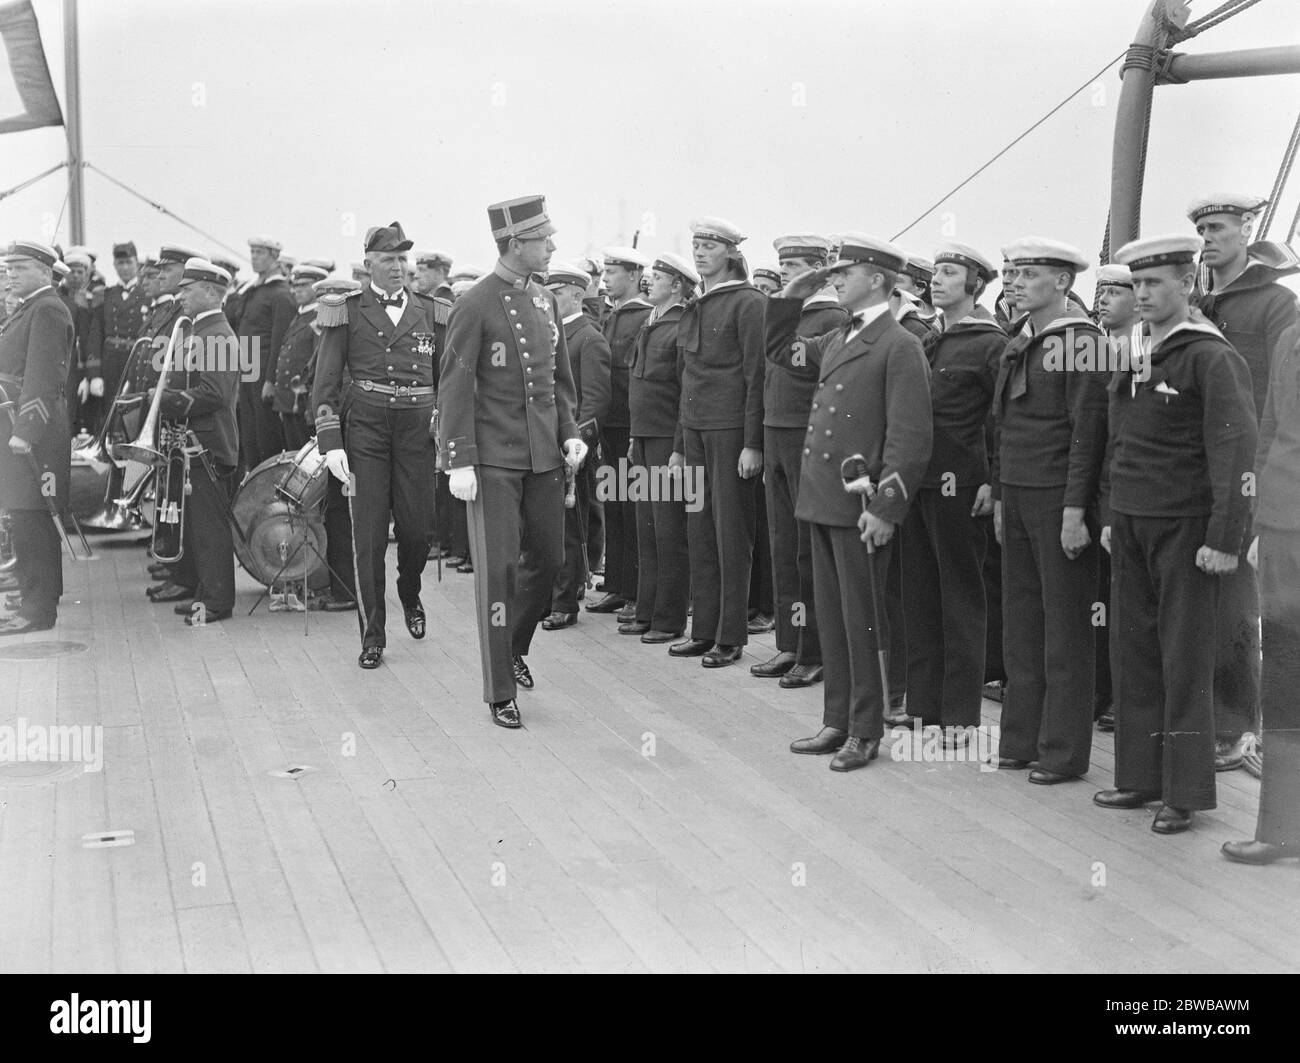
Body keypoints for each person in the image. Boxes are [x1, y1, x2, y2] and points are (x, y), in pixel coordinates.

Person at [1095, 235, 1257, 834]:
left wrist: (1225, 537)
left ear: (1186, 287)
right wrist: (1111, 515)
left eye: (1154, 284)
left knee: (1184, 658)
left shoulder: (1210, 357)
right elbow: (1119, 442)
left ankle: (1184, 791)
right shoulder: (1134, 353)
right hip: (1133, 521)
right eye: (1136, 285)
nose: (1142, 295)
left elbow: (1235, 453)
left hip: (1188, 530)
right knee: (1132, 650)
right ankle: (1138, 776)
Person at [770, 233, 932, 771]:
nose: (835, 279)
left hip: (859, 507)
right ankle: (836, 719)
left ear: (879, 281)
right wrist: (792, 294)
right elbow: (780, 351)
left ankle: (865, 729)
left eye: (846, 273)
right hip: (822, 500)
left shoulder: (900, 344)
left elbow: (910, 440)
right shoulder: (839, 336)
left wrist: (885, 509)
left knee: (863, 621)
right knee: (834, 618)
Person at [437, 194, 584, 729]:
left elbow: (559, 383)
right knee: (497, 572)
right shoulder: (474, 303)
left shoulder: (545, 302)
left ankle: (514, 645)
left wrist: (569, 433)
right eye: (544, 239)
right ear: (515, 243)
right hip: (493, 460)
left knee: (548, 558)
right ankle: (499, 688)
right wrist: (458, 459)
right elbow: (455, 383)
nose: (552, 247)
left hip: (544, 455)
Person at [1189, 193, 1300, 771]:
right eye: (1202, 229)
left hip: (1253, 468)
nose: (1207, 238)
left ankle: (1240, 730)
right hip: (1202, 465)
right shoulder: (1200, 300)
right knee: (1211, 599)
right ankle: (1220, 721)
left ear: (1245, 231)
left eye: (1217, 228)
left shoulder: (1278, 305)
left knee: (1243, 602)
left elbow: (1281, 392)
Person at [991, 237, 1109, 785]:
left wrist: (1074, 510)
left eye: (1028, 273)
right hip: (1016, 494)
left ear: (1062, 283)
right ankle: (1020, 740)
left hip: (1057, 498)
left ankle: (1062, 752)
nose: (1013, 281)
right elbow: (1002, 427)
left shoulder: (1083, 342)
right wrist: (998, 493)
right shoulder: (1020, 339)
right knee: (1022, 623)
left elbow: (1089, 436)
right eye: (1011, 273)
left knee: (1065, 628)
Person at [312, 222, 449, 669]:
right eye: (388, 260)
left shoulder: (433, 311)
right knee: (368, 535)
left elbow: (448, 377)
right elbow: (326, 383)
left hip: (416, 431)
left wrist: (445, 424)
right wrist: (330, 440)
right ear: (368, 263)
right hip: (366, 429)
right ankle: (373, 634)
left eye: (403, 260)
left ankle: (409, 591)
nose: (398, 267)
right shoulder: (346, 310)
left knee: (418, 530)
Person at [899, 242, 1003, 735]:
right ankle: (923, 707)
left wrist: (993, 481)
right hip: (918, 480)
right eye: (935, 272)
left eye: (949, 273)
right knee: (919, 594)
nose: (936, 280)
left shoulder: (989, 343)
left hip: (961, 485)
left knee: (960, 598)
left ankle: (961, 717)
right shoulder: (927, 339)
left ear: (975, 285)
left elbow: (1002, 420)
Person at [668, 217, 765, 668]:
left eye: (709, 245)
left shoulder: (748, 303)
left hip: (730, 433)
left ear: (730, 251)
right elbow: (687, 379)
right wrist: (679, 444)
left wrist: (753, 442)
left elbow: (755, 375)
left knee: (730, 534)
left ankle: (730, 635)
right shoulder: (699, 303)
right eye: (696, 245)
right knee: (699, 532)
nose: (700, 252)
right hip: (696, 432)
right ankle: (703, 630)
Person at [751, 234, 846, 688]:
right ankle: (789, 643)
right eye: (783, 264)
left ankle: (815, 650)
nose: (785, 271)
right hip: (776, 434)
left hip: (806, 438)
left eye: (795, 265)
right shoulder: (794, 316)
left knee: (808, 551)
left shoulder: (832, 317)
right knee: (783, 546)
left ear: (818, 270)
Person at [1223, 322, 1300, 862]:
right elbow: (1269, 431)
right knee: (1285, 681)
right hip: (1282, 528)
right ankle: (1281, 830)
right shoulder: (1291, 335)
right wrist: (1257, 524)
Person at [145, 259, 243, 624]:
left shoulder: (216, 333)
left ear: (211, 291)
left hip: (208, 442)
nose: (180, 294)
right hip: (195, 441)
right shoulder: (200, 330)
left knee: (209, 527)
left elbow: (213, 393)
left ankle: (217, 601)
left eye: (188, 289)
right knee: (197, 526)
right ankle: (207, 591)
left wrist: (162, 399)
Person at [0, 241, 74, 635]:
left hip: (31, 435)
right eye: (9, 268)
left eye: (20, 267)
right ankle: (36, 598)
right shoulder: (31, 307)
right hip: (17, 429)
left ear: (46, 272)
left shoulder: (46, 308)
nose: (11, 274)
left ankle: (37, 610)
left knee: (34, 520)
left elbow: (44, 378)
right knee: (26, 516)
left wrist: (25, 432)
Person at [625, 252, 698, 643]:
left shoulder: (680, 326)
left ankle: (668, 619)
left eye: (656, 277)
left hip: (669, 442)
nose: (647, 282)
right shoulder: (651, 323)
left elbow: (686, 392)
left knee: (669, 530)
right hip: (646, 438)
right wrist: (635, 437)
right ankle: (647, 609)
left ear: (677, 285)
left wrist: (679, 448)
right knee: (647, 528)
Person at [541, 260, 611, 630]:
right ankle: (550, 596)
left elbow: (595, 405)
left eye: (556, 293)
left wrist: (576, 447)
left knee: (569, 529)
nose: (549, 299)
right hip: (544, 445)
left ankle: (565, 603)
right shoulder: (550, 334)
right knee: (546, 527)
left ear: (577, 295)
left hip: (571, 451)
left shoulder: (589, 338)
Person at [585, 247, 651, 619]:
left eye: (612, 272)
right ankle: (617, 584)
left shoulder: (642, 317)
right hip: (610, 425)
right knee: (615, 507)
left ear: (633, 274)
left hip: (629, 424)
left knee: (632, 508)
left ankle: (635, 588)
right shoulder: (612, 317)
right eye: (605, 270)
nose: (606, 278)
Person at [1092, 262, 1139, 734]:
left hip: (1123, 490)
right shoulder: (1092, 351)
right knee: (1098, 599)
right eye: (1100, 291)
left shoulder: (1141, 352)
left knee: (1121, 601)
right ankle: (1102, 689)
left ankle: (1120, 697)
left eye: (1116, 291)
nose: (1104, 299)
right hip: (1095, 491)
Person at [233, 235, 296, 469]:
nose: (254, 258)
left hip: (263, 373)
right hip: (248, 371)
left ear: (275, 257)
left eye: (260, 253)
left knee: (266, 436)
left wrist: (271, 380)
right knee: (249, 434)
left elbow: (280, 342)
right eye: (253, 253)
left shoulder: (280, 295)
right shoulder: (254, 291)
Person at [271, 261, 328, 451]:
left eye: (303, 285)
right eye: (295, 286)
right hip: (289, 399)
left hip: (303, 401)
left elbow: (318, 362)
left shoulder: (319, 316)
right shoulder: (300, 316)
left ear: (317, 287)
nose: (296, 290)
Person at [96, 242, 148, 423]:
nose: (124, 267)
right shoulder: (105, 294)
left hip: (135, 359)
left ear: (137, 264)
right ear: (114, 265)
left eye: (128, 262)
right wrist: (94, 374)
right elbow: (96, 334)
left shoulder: (147, 294)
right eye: (120, 263)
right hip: (110, 359)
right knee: (109, 408)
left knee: (132, 408)